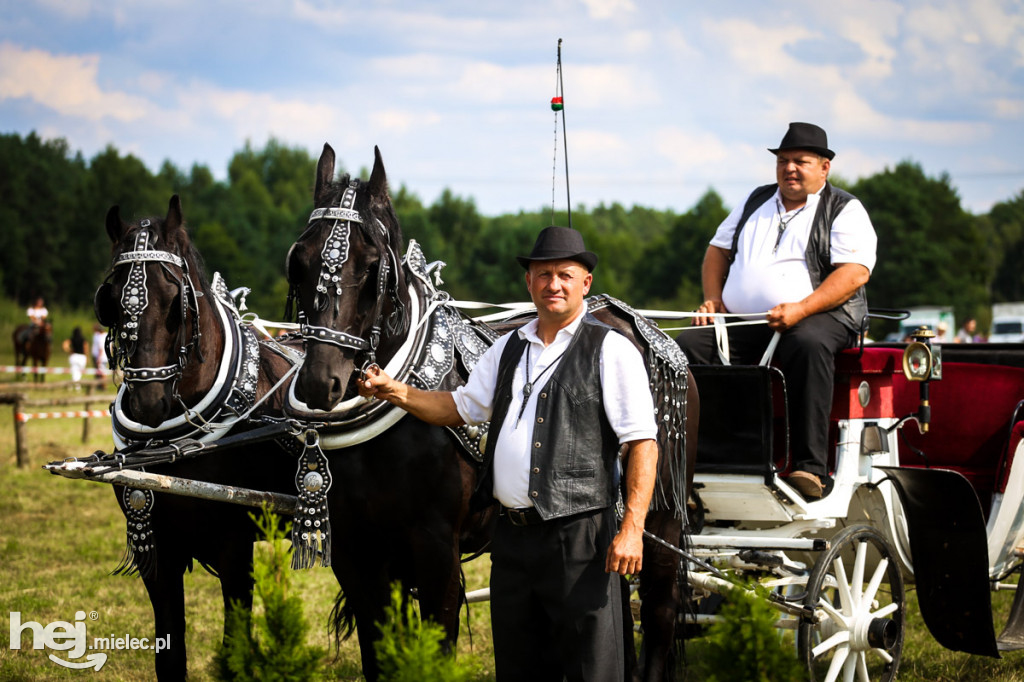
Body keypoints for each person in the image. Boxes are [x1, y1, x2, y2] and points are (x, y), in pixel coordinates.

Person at [359, 226, 659, 681]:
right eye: (542, 274)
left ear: (586, 283)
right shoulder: (508, 347)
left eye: (564, 274)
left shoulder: (611, 350)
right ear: (528, 283)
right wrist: (395, 392)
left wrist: (632, 528)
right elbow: (460, 407)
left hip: (580, 537)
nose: (552, 285)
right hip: (513, 541)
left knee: (591, 670)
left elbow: (641, 443)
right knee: (520, 668)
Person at [675, 122, 877, 500]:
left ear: (824, 167)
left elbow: (854, 273)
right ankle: (703, 462)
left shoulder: (845, 208)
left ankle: (809, 469)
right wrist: (714, 300)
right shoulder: (756, 201)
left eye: (800, 161)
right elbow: (717, 251)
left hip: (823, 316)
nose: (790, 169)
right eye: (783, 161)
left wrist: (801, 309)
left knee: (807, 343)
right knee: (691, 346)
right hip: (746, 321)